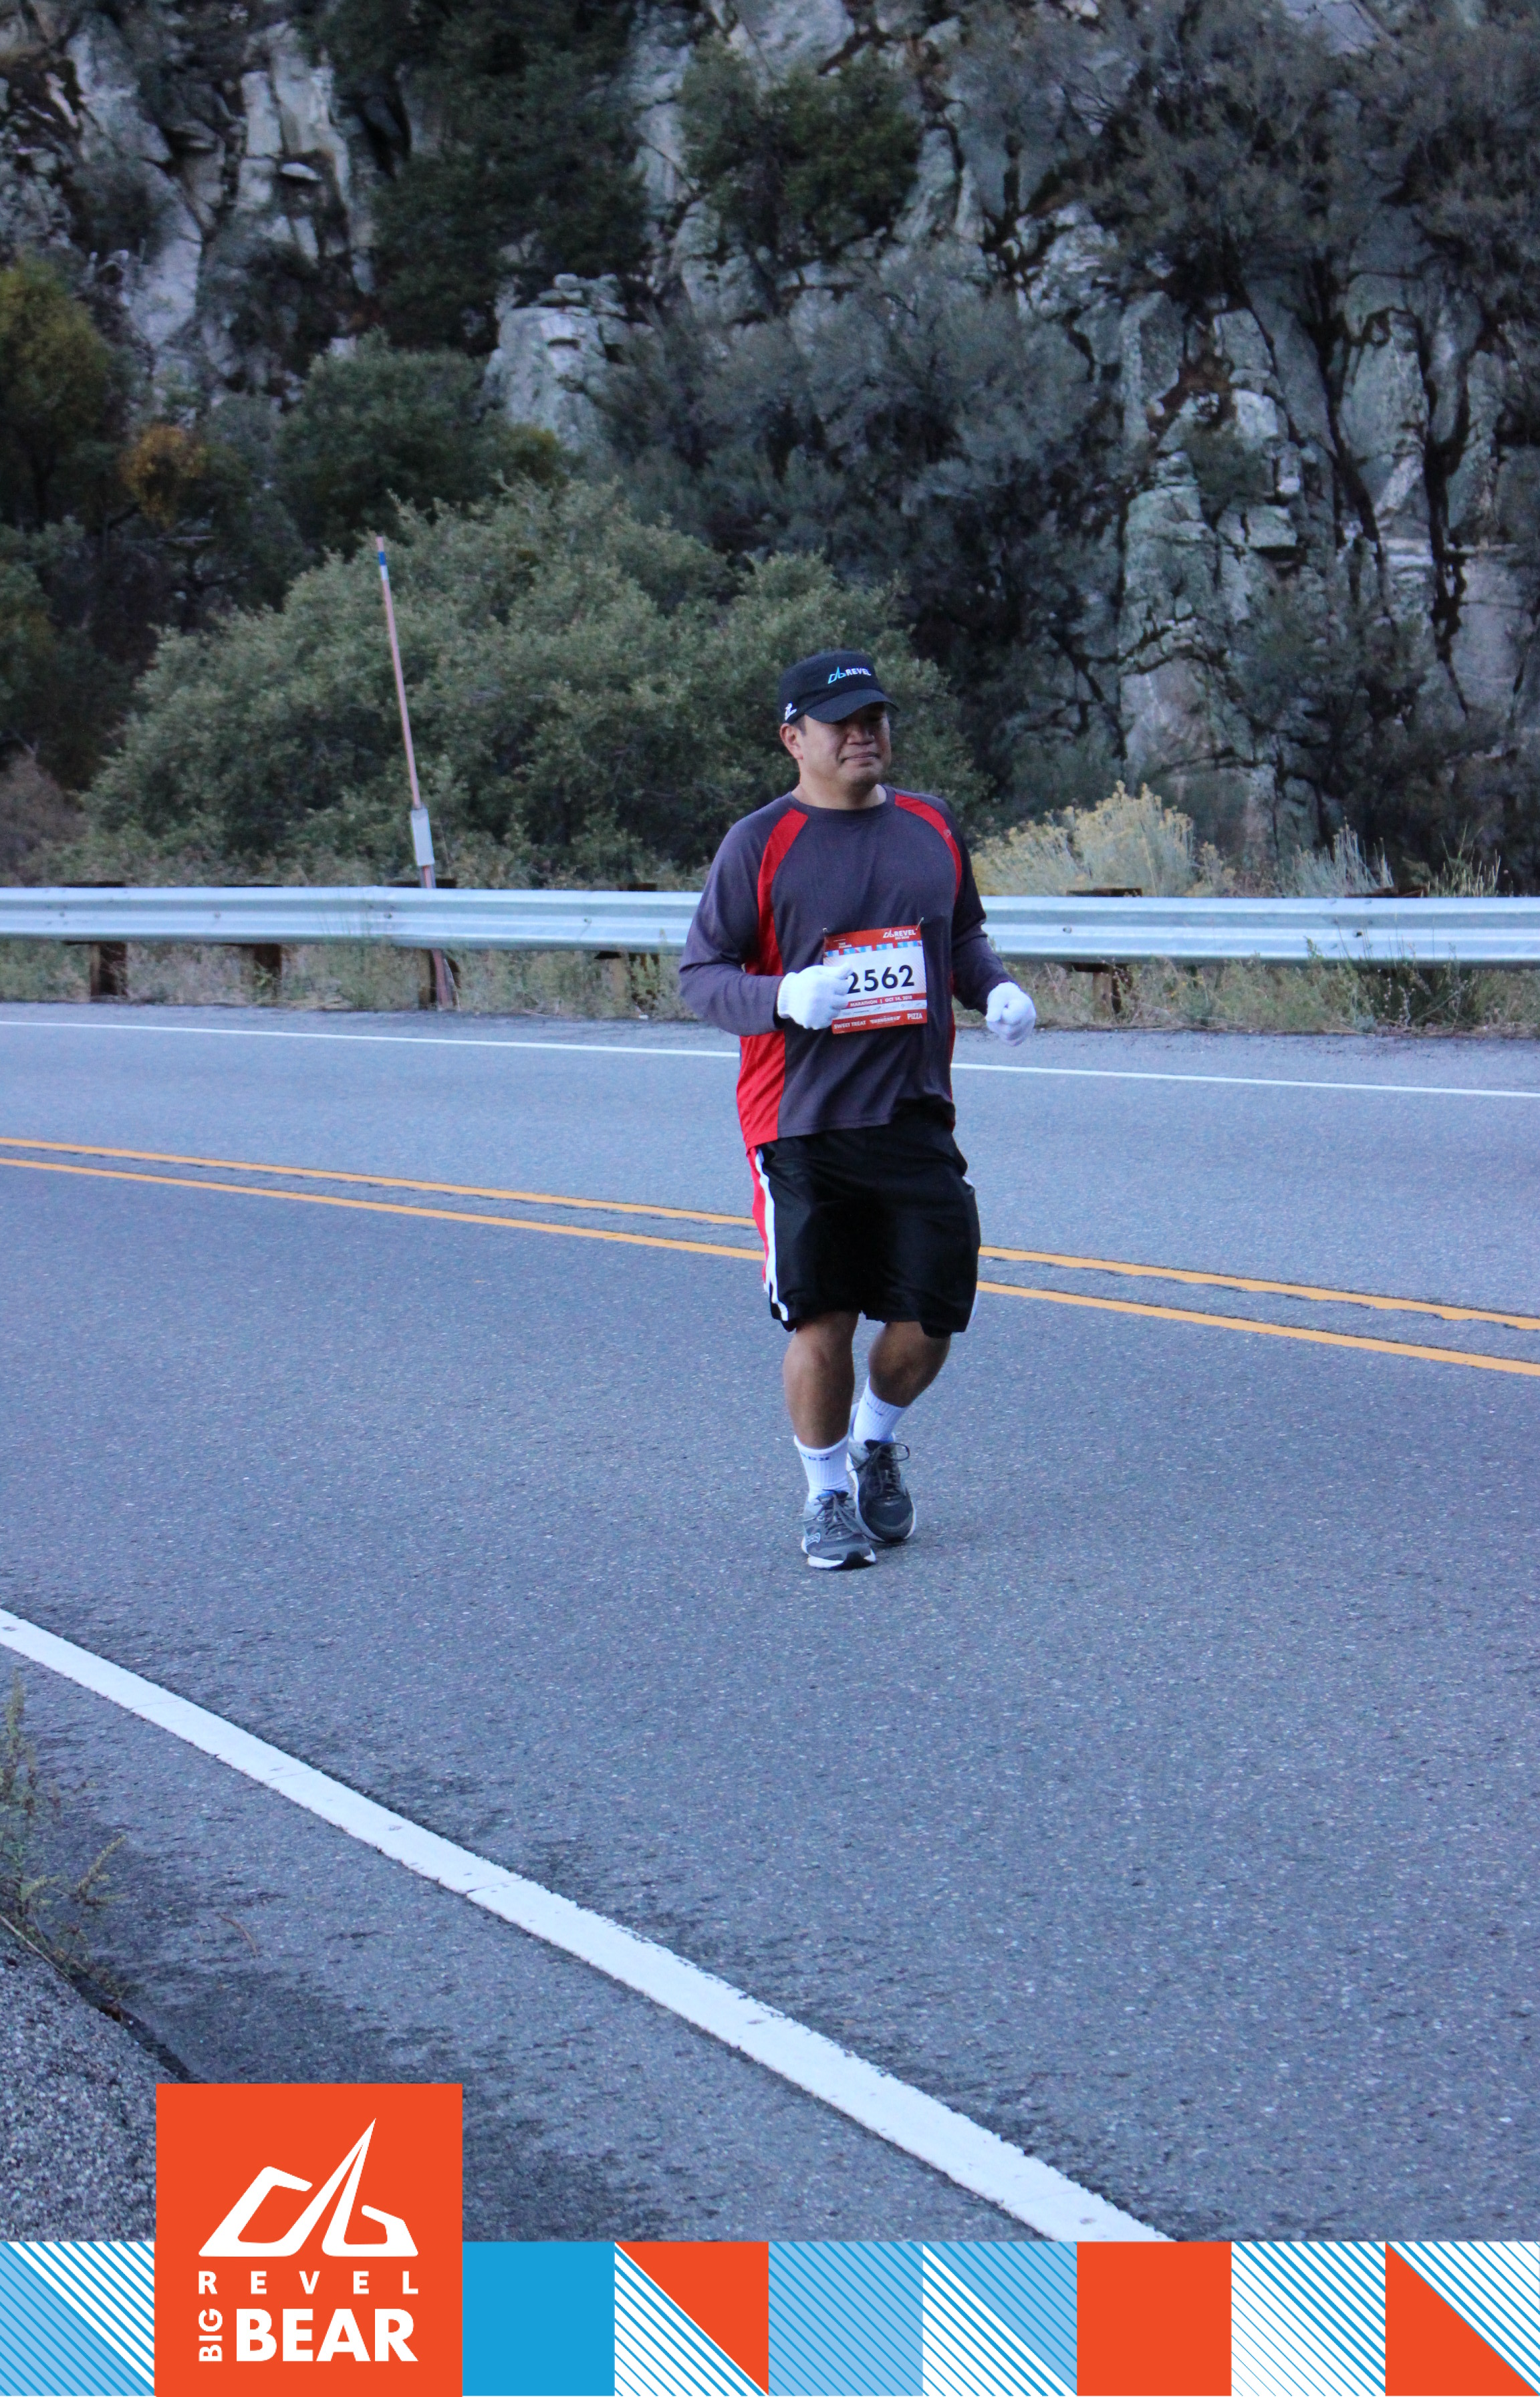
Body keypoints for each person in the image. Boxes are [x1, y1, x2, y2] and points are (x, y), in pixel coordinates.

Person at [678, 648, 1037, 1568]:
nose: (863, 734)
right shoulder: (759, 844)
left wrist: (993, 988)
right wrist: (781, 997)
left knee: (933, 1314)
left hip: (913, 1113)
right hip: (799, 1123)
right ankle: (826, 1494)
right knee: (824, 1317)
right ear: (794, 739)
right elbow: (702, 975)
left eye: (874, 717)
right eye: (840, 723)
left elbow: (962, 935)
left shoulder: (931, 824)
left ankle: (874, 1441)